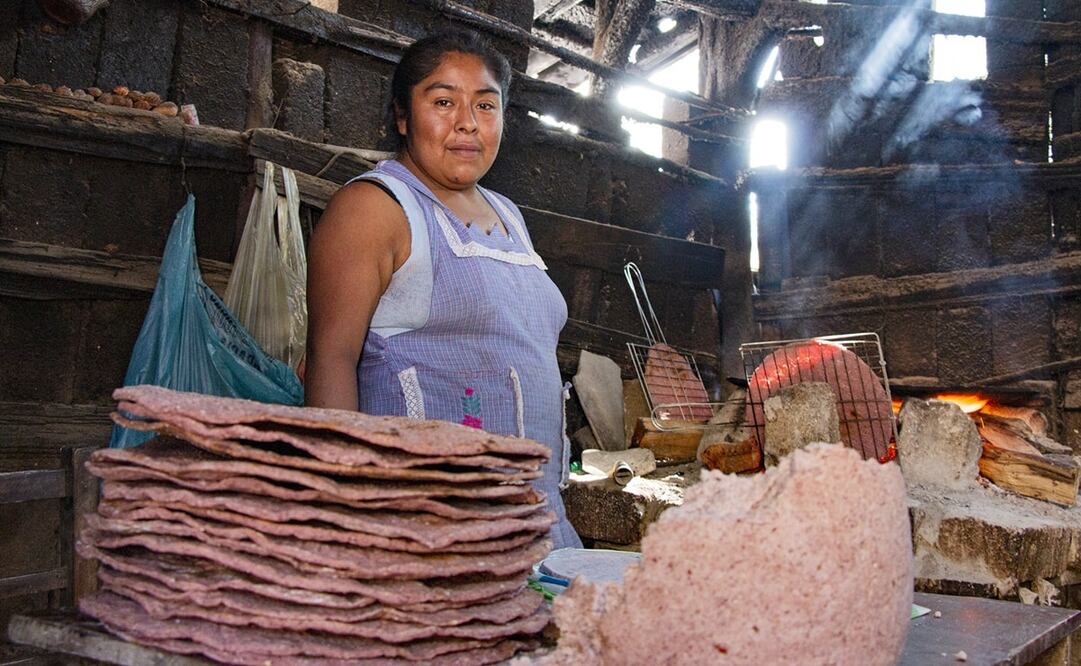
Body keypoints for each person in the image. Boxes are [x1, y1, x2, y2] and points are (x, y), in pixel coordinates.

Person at [304, 29, 582, 549]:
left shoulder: (510, 216)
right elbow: (329, 359)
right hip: (422, 531)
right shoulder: (375, 208)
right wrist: (340, 511)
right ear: (402, 117)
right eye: (443, 101)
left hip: (536, 524)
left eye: (485, 105)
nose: (467, 123)